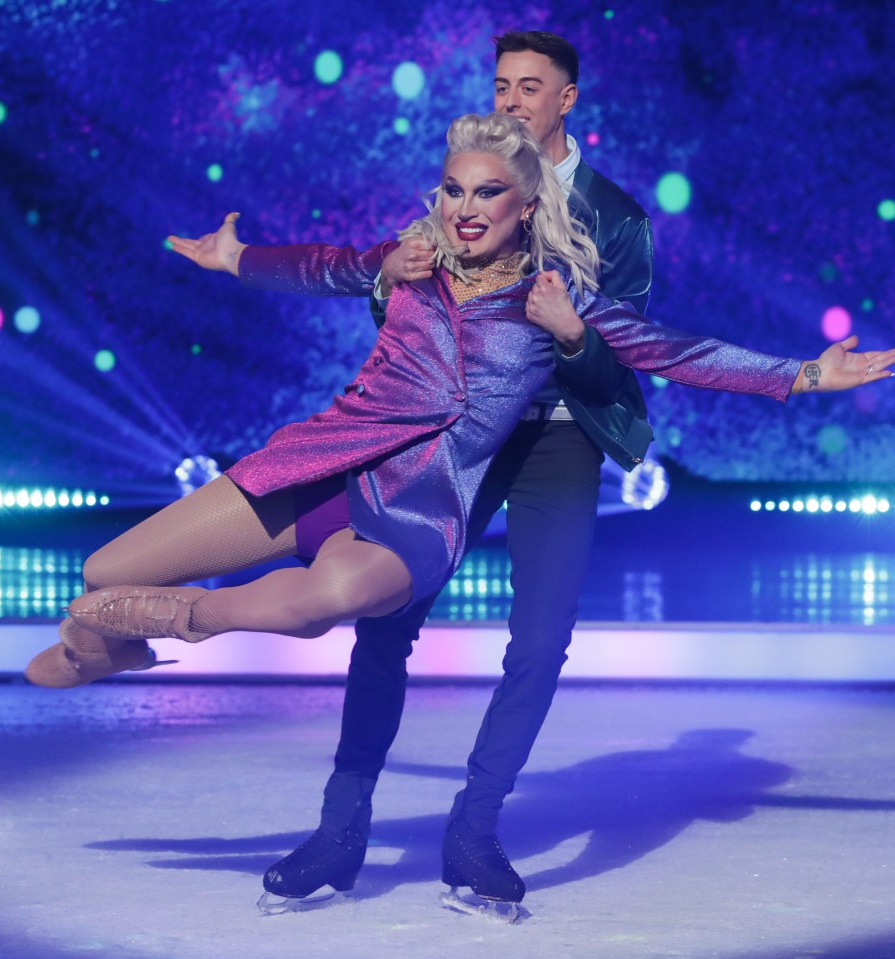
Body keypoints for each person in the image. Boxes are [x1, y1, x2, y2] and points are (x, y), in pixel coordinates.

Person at [24, 113, 895, 915]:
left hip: (417, 506)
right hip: (319, 464)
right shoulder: (405, 258)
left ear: (525, 208)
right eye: (453, 189)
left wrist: (804, 372)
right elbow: (322, 266)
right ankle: (113, 635)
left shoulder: (553, 301)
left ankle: (160, 626)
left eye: (488, 193)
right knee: (108, 571)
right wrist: (233, 258)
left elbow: (682, 353)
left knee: (314, 605)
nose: (466, 206)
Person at [282, 29, 658, 911]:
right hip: (457, 433)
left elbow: (621, 364)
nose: (511, 99)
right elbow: (401, 302)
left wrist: (571, 337)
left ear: (566, 101)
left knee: (539, 641)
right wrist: (387, 280)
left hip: (558, 438)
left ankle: (475, 830)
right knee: (387, 612)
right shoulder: (467, 185)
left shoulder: (617, 219)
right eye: (501, 83)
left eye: (531, 86)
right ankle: (339, 831)